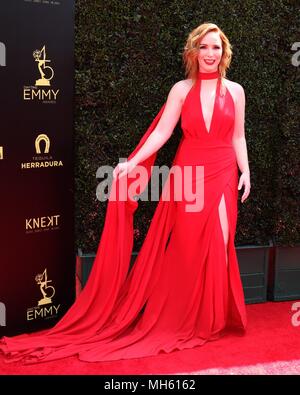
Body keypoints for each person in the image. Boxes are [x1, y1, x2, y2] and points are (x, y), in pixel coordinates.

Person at [0, 22, 250, 364]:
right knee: (189, 246)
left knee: (221, 240)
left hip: (223, 169)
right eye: (204, 47)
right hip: (190, 172)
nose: (210, 54)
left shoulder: (236, 91)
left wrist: (246, 170)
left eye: (216, 48)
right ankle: (185, 316)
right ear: (194, 52)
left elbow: (238, 136)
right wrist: (132, 163)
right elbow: (162, 133)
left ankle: (213, 317)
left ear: (224, 53)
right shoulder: (181, 89)